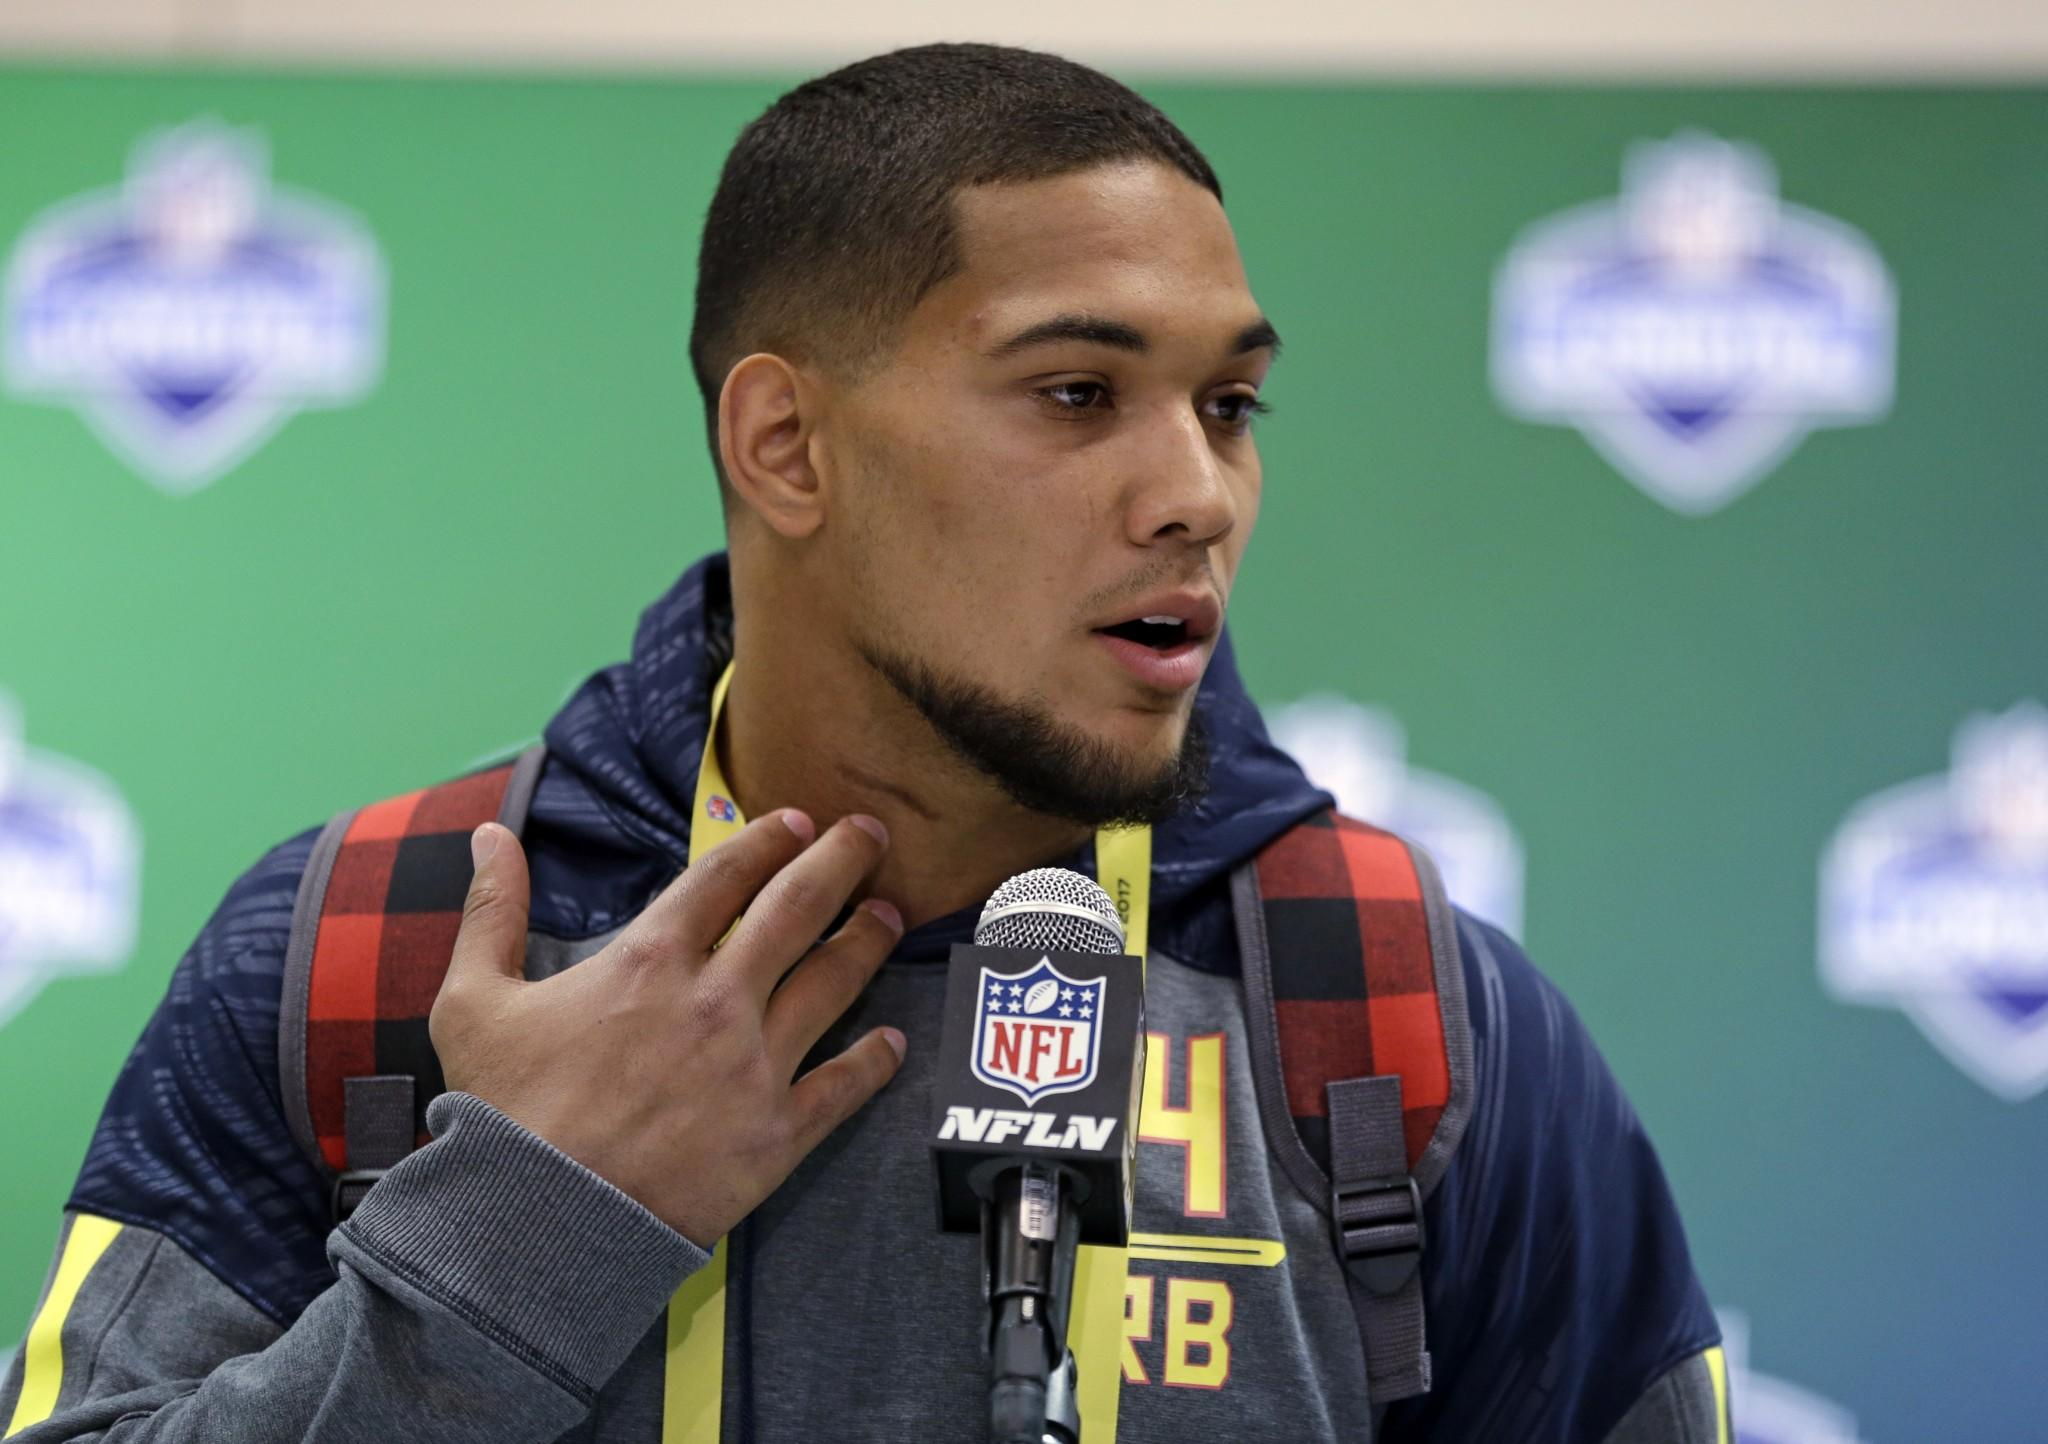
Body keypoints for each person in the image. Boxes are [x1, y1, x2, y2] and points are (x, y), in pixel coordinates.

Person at [0, 43, 1722, 1444]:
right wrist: (522, 1232)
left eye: (1228, 404)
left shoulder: (1409, 1004)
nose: (1198, 494)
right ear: (786, 447)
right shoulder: (372, 947)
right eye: (1078, 393)